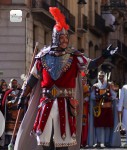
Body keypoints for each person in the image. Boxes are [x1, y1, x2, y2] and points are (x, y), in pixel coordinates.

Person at [14, 7, 118, 150]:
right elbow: (33, 78)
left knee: (64, 140)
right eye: (61, 37)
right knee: (44, 139)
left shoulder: (74, 56)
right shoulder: (43, 56)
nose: (64, 40)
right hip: (46, 102)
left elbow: (91, 64)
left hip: (66, 103)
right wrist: (22, 97)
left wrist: (104, 56)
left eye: (66, 38)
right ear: (55, 38)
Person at [91, 71, 114, 148]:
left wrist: (108, 97)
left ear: (105, 77)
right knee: (98, 125)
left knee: (107, 126)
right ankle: (98, 142)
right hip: (99, 109)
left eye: (102, 76)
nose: (101, 77)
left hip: (107, 108)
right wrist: (97, 97)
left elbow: (114, 95)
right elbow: (92, 96)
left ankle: (107, 142)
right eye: (99, 76)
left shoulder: (109, 85)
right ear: (98, 76)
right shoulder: (95, 86)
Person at [2, 78, 23, 146]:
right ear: (10, 84)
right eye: (13, 83)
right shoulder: (7, 92)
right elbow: (5, 102)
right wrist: (10, 102)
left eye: (15, 83)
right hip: (9, 114)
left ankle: (17, 143)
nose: (14, 84)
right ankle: (9, 143)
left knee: (18, 130)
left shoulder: (21, 92)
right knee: (9, 131)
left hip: (18, 113)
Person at [80, 72, 90, 148]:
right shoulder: (77, 86)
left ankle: (83, 141)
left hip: (84, 108)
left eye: (84, 79)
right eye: (82, 78)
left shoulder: (86, 87)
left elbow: (87, 97)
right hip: (76, 107)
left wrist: (83, 100)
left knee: (84, 125)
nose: (83, 80)